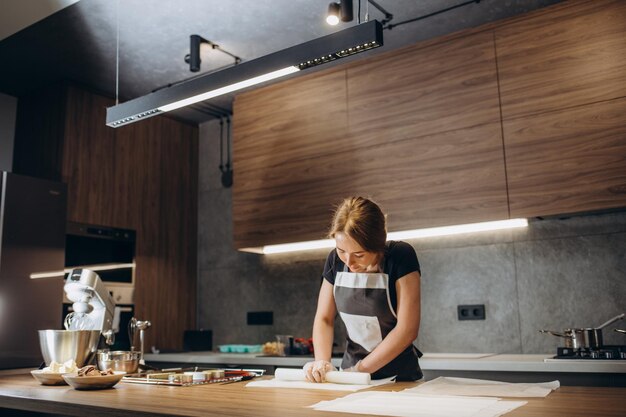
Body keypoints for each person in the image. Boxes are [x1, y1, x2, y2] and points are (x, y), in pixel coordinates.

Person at [304, 196, 423, 383]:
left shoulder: (400, 256)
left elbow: (407, 330)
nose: (349, 262)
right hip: (350, 378)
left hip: (399, 379)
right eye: (341, 251)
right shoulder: (334, 261)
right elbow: (324, 318)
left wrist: (360, 370)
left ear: (378, 245)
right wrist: (322, 361)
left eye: (359, 255)